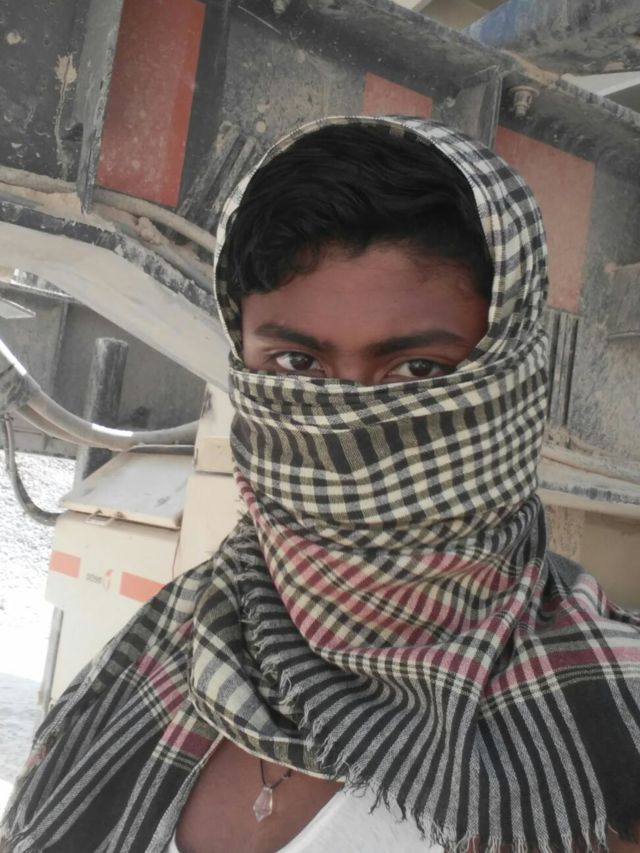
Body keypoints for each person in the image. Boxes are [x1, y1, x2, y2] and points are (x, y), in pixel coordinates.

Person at [2, 116, 640, 853]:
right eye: (298, 366)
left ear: (511, 379)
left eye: (417, 370)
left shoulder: (610, 735)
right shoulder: (161, 653)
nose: (347, 423)